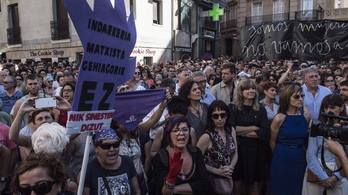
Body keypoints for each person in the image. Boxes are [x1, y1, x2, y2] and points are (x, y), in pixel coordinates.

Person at [228, 79, 269, 195]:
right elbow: (231, 130)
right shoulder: (232, 108)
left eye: (253, 88)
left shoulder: (260, 108)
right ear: (240, 91)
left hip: (256, 152)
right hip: (238, 150)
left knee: (254, 187)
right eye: (247, 88)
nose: (251, 91)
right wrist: (254, 127)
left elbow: (265, 131)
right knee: (237, 186)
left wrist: (242, 132)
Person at [302, 94, 348, 195]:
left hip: (340, 171)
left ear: (341, 107)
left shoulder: (346, 128)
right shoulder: (318, 126)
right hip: (316, 169)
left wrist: (335, 177)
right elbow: (310, 154)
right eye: (326, 107)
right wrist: (323, 177)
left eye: (332, 107)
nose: (328, 111)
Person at [269, 83, 310, 195]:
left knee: (298, 187)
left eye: (302, 96)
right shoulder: (279, 118)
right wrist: (280, 155)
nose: (300, 99)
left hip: (300, 157)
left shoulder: (305, 116)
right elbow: (272, 142)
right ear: (287, 98)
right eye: (296, 97)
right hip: (282, 158)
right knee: (280, 188)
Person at [152, 116, 210, 194]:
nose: (181, 133)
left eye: (185, 130)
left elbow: (204, 183)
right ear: (168, 134)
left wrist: (174, 190)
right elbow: (162, 192)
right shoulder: (160, 158)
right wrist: (171, 178)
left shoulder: (196, 152)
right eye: (176, 130)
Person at [81, 128, 140, 195]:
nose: (112, 149)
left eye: (115, 145)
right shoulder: (88, 170)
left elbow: (137, 191)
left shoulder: (127, 162)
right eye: (106, 146)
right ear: (96, 148)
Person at [197, 100, 238, 194]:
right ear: (211, 117)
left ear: (227, 115)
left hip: (227, 177)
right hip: (211, 180)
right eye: (215, 116)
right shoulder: (207, 136)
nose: (219, 119)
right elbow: (196, 160)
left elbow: (235, 153)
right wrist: (217, 171)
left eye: (223, 115)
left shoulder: (231, 130)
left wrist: (230, 168)